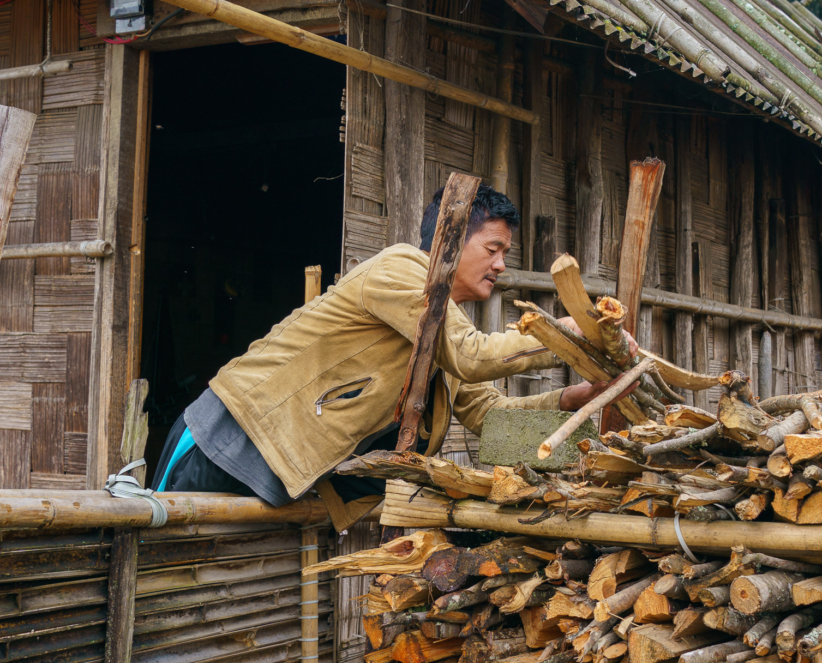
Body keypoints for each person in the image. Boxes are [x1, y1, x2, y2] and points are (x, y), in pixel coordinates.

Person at [151, 184, 634, 524]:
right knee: (165, 575)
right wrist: (570, 332)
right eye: (492, 249)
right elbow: (474, 356)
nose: (501, 265)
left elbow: (493, 424)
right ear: (451, 238)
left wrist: (575, 400)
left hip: (281, 478)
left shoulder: (445, 331)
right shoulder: (402, 268)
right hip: (228, 440)